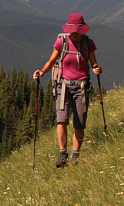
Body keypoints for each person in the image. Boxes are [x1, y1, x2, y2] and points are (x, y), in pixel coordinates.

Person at [33, 13, 102, 167]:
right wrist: (42, 72)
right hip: (63, 85)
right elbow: (52, 61)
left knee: (80, 123)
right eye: (72, 30)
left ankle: (75, 156)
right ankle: (63, 154)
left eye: (77, 30)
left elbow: (94, 63)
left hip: (81, 86)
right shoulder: (61, 42)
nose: (74, 33)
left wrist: (97, 69)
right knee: (61, 120)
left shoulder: (88, 43)